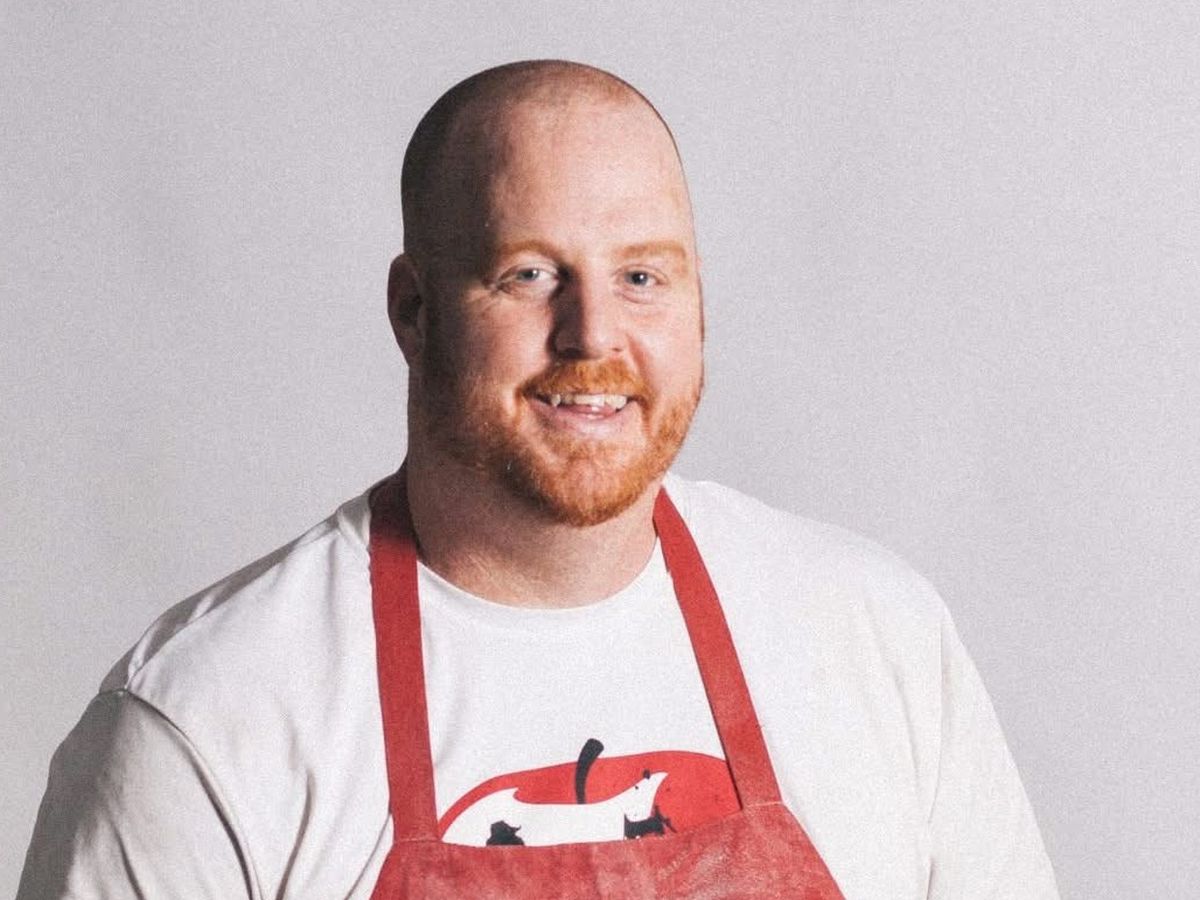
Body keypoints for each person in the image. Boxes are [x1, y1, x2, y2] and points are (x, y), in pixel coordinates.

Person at [19, 60, 1059, 899]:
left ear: (698, 306)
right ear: (415, 311)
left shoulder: (876, 638)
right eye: (529, 275)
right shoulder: (214, 718)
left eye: (642, 277)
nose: (593, 334)